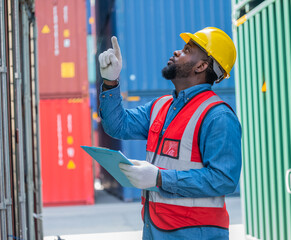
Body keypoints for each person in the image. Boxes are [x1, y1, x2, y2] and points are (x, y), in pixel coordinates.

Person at [98, 27, 242, 240]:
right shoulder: (161, 106)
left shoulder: (217, 116)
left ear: (202, 65)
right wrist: (111, 82)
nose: (176, 52)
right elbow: (117, 126)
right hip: (156, 227)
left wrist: (159, 177)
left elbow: (224, 179)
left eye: (186, 50)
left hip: (196, 233)